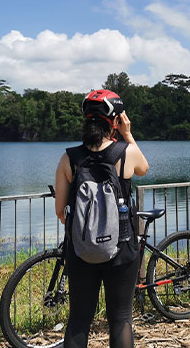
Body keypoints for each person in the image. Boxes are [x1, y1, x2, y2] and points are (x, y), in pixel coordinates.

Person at [54, 89, 149, 348]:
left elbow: (60, 210)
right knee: (120, 319)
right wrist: (128, 134)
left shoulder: (69, 158)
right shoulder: (125, 153)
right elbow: (144, 169)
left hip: (81, 250)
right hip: (122, 249)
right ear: (115, 122)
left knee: (79, 321)